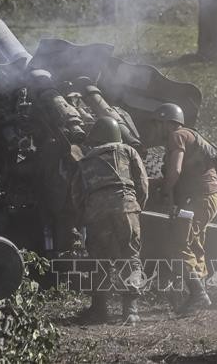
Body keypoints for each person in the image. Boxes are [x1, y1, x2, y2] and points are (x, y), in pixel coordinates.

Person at [71, 117, 148, 325]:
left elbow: (76, 194)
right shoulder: (127, 150)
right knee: (130, 256)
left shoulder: (85, 160)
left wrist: (83, 218)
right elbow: (142, 181)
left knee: (99, 260)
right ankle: (130, 312)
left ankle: (99, 310)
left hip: (96, 213)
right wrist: (136, 205)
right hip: (126, 207)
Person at [154, 103, 217, 314]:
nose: (157, 129)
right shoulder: (193, 135)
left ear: (167, 122)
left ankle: (198, 295)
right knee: (194, 244)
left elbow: (174, 171)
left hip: (198, 198)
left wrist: (165, 190)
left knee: (179, 244)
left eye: (158, 123)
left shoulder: (178, 136)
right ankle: (200, 297)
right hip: (210, 198)